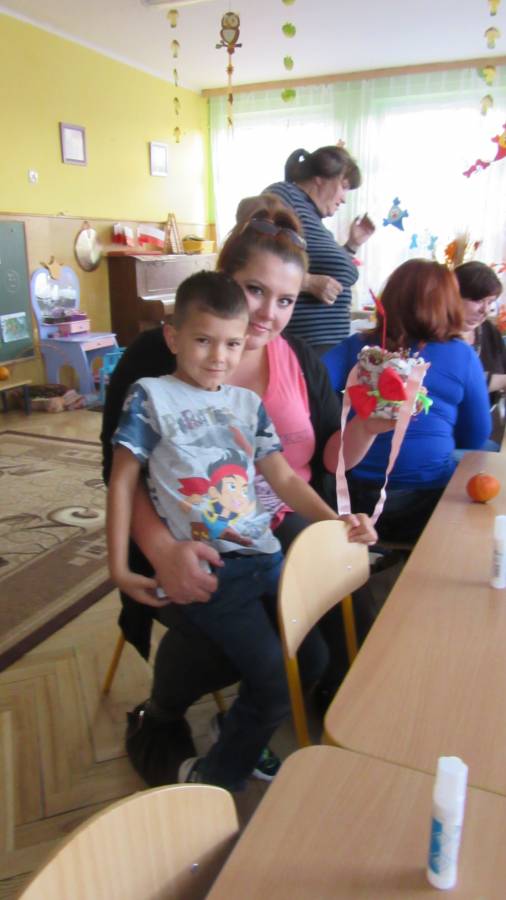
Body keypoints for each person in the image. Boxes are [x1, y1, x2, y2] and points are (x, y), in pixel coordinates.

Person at [101, 197, 382, 787]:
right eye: (255, 290)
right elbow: (120, 473)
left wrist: (338, 520)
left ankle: (271, 726)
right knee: (250, 653)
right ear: (223, 284)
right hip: (188, 544)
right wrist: (141, 558)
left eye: (286, 299)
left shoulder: (267, 383)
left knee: (329, 626)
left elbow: (290, 475)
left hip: (264, 537)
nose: (267, 315)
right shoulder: (157, 370)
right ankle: (191, 754)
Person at [322, 259, 492, 544]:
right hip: (427, 502)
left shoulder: (357, 347)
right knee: (486, 459)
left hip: (354, 502)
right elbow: (475, 436)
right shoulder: (462, 355)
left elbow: (311, 385)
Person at [264, 145, 375, 353]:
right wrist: (307, 282)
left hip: (326, 347)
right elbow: (258, 256)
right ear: (320, 178)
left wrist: (352, 245)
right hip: (302, 346)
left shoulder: (313, 219)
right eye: (343, 186)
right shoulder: (284, 195)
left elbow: (330, 269)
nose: (344, 198)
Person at [455, 261, 505, 448]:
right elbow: (459, 385)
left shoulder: (489, 331)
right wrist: (500, 381)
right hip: (453, 437)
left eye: (490, 302)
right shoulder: (436, 338)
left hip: (487, 432)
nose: (485, 310)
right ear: (452, 297)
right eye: (477, 300)